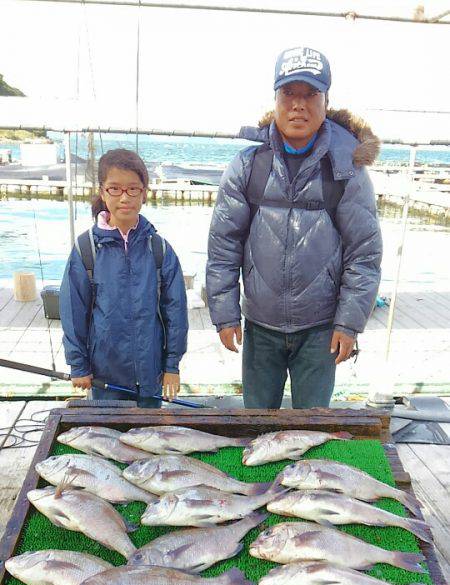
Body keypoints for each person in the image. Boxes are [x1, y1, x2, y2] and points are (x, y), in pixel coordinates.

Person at [206, 46, 382, 409]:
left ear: (326, 100)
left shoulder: (348, 171)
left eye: (310, 94)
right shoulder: (246, 165)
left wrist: (348, 324)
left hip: (320, 331)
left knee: (312, 426)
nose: (298, 105)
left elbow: (363, 254)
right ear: (275, 99)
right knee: (258, 423)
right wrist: (224, 313)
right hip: (260, 328)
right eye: (289, 93)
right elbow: (223, 246)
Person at [60, 148, 188, 408]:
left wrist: (171, 365)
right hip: (104, 376)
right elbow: (73, 312)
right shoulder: (86, 250)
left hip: (150, 375)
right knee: (107, 441)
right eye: (115, 189)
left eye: (133, 189)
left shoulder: (160, 250)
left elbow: (176, 311)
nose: (124, 198)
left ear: (144, 192)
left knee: (149, 442)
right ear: (102, 192)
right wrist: (78, 364)